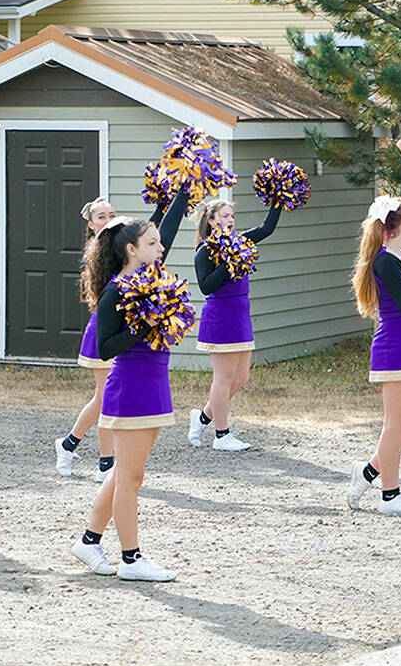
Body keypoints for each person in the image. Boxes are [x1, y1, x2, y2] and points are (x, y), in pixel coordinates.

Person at [70, 187, 191, 582]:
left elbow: (168, 229)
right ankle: (131, 559)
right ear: (131, 251)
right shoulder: (115, 292)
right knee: (130, 477)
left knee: (124, 472)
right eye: (152, 243)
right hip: (131, 387)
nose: (161, 248)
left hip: (154, 384)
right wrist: (144, 325)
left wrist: (183, 192)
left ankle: (89, 542)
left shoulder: (150, 279)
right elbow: (105, 348)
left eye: (159, 242)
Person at [346, 138, 401, 513]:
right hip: (395, 345)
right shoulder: (386, 261)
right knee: (395, 423)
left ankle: (368, 471)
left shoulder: (399, 252)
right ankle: (390, 495)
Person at [185, 197, 282, 451]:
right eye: (225, 216)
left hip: (241, 313)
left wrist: (278, 199)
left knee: (241, 376)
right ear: (212, 220)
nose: (230, 220)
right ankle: (221, 435)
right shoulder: (205, 249)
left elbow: (266, 229)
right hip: (221, 315)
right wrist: (229, 264)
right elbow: (206, 286)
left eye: (232, 216)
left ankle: (203, 417)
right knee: (224, 378)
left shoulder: (239, 243)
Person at [55, 196, 121, 480]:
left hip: (120, 331)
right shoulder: (95, 254)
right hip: (102, 331)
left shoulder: (119, 249)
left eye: (111, 215)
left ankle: (68, 445)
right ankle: (106, 464)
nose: (108, 220)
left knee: (103, 398)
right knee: (105, 399)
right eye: (102, 216)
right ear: (92, 224)